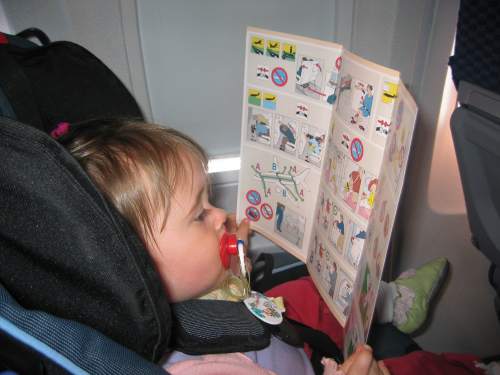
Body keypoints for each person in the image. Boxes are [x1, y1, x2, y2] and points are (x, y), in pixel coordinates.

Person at [61, 119, 486, 375]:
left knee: (310, 290)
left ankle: (394, 303)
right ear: (136, 264)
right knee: (411, 370)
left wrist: (233, 259)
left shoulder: (170, 293)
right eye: (199, 214)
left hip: (260, 333)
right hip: (274, 356)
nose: (220, 217)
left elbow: (216, 304)